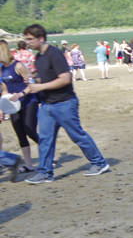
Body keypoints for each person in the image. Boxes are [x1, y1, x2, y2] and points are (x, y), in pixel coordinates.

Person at [20, 24, 110, 184]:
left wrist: (40, 86)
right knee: (45, 139)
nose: (27, 42)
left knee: (77, 135)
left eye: (30, 39)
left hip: (64, 103)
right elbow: (46, 79)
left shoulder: (54, 54)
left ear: (41, 38)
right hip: (47, 105)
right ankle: (45, 172)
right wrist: (34, 80)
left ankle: (99, 163)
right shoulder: (39, 57)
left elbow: (65, 78)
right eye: (26, 39)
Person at [0, 40, 37, 173]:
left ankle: (51, 155)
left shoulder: (18, 66)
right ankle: (28, 165)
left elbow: (30, 85)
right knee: (20, 134)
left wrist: (20, 94)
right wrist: (2, 107)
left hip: (28, 102)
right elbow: (4, 90)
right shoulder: (1, 69)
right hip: (13, 105)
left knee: (30, 130)